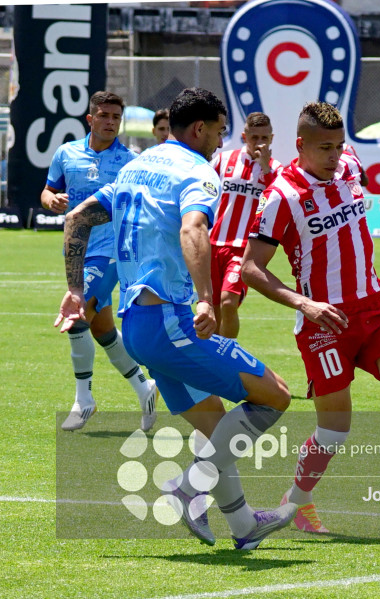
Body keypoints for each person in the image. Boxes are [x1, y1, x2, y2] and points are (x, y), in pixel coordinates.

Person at [55, 87, 298, 550]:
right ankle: (187, 489)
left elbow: (76, 219)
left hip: (135, 327)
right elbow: (193, 227)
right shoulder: (197, 170)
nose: (220, 142)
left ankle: (244, 525)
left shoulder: (135, 166)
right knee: (275, 396)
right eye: (220, 131)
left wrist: (75, 289)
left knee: (217, 428)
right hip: (168, 322)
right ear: (201, 128)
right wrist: (206, 299)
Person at [241, 102, 380, 536]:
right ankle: (297, 500)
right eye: (324, 147)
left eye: (339, 145)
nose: (334, 155)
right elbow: (250, 268)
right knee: (334, 431)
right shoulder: (282, 196)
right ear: (301, 145)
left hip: (373, 309)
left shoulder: (349, 167)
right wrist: (303, 304)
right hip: (324, 325)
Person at [42, 91, 159, 432]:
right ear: (90, 118)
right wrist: (51, 199)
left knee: (77, 317)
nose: (110, 122)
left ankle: (84, 399)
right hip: (76, 252)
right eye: (104, 115)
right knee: (101, 328)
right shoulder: (66, 154)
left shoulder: (130, 161)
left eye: (115, 117)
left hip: (110, 252)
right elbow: (48, 189)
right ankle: (143, 386)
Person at [209, 112, 281, 338]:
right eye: (254, 137)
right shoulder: (223, 160)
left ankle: (228, 356)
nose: (259, 143)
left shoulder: (276, 170)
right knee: (214, 310)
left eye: (265, 138)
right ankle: (218, 364)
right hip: (212, 244)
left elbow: (278, 201)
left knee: (228, 302)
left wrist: (266, 168)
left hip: (244, 248)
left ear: (272, 138)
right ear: (244, 136)